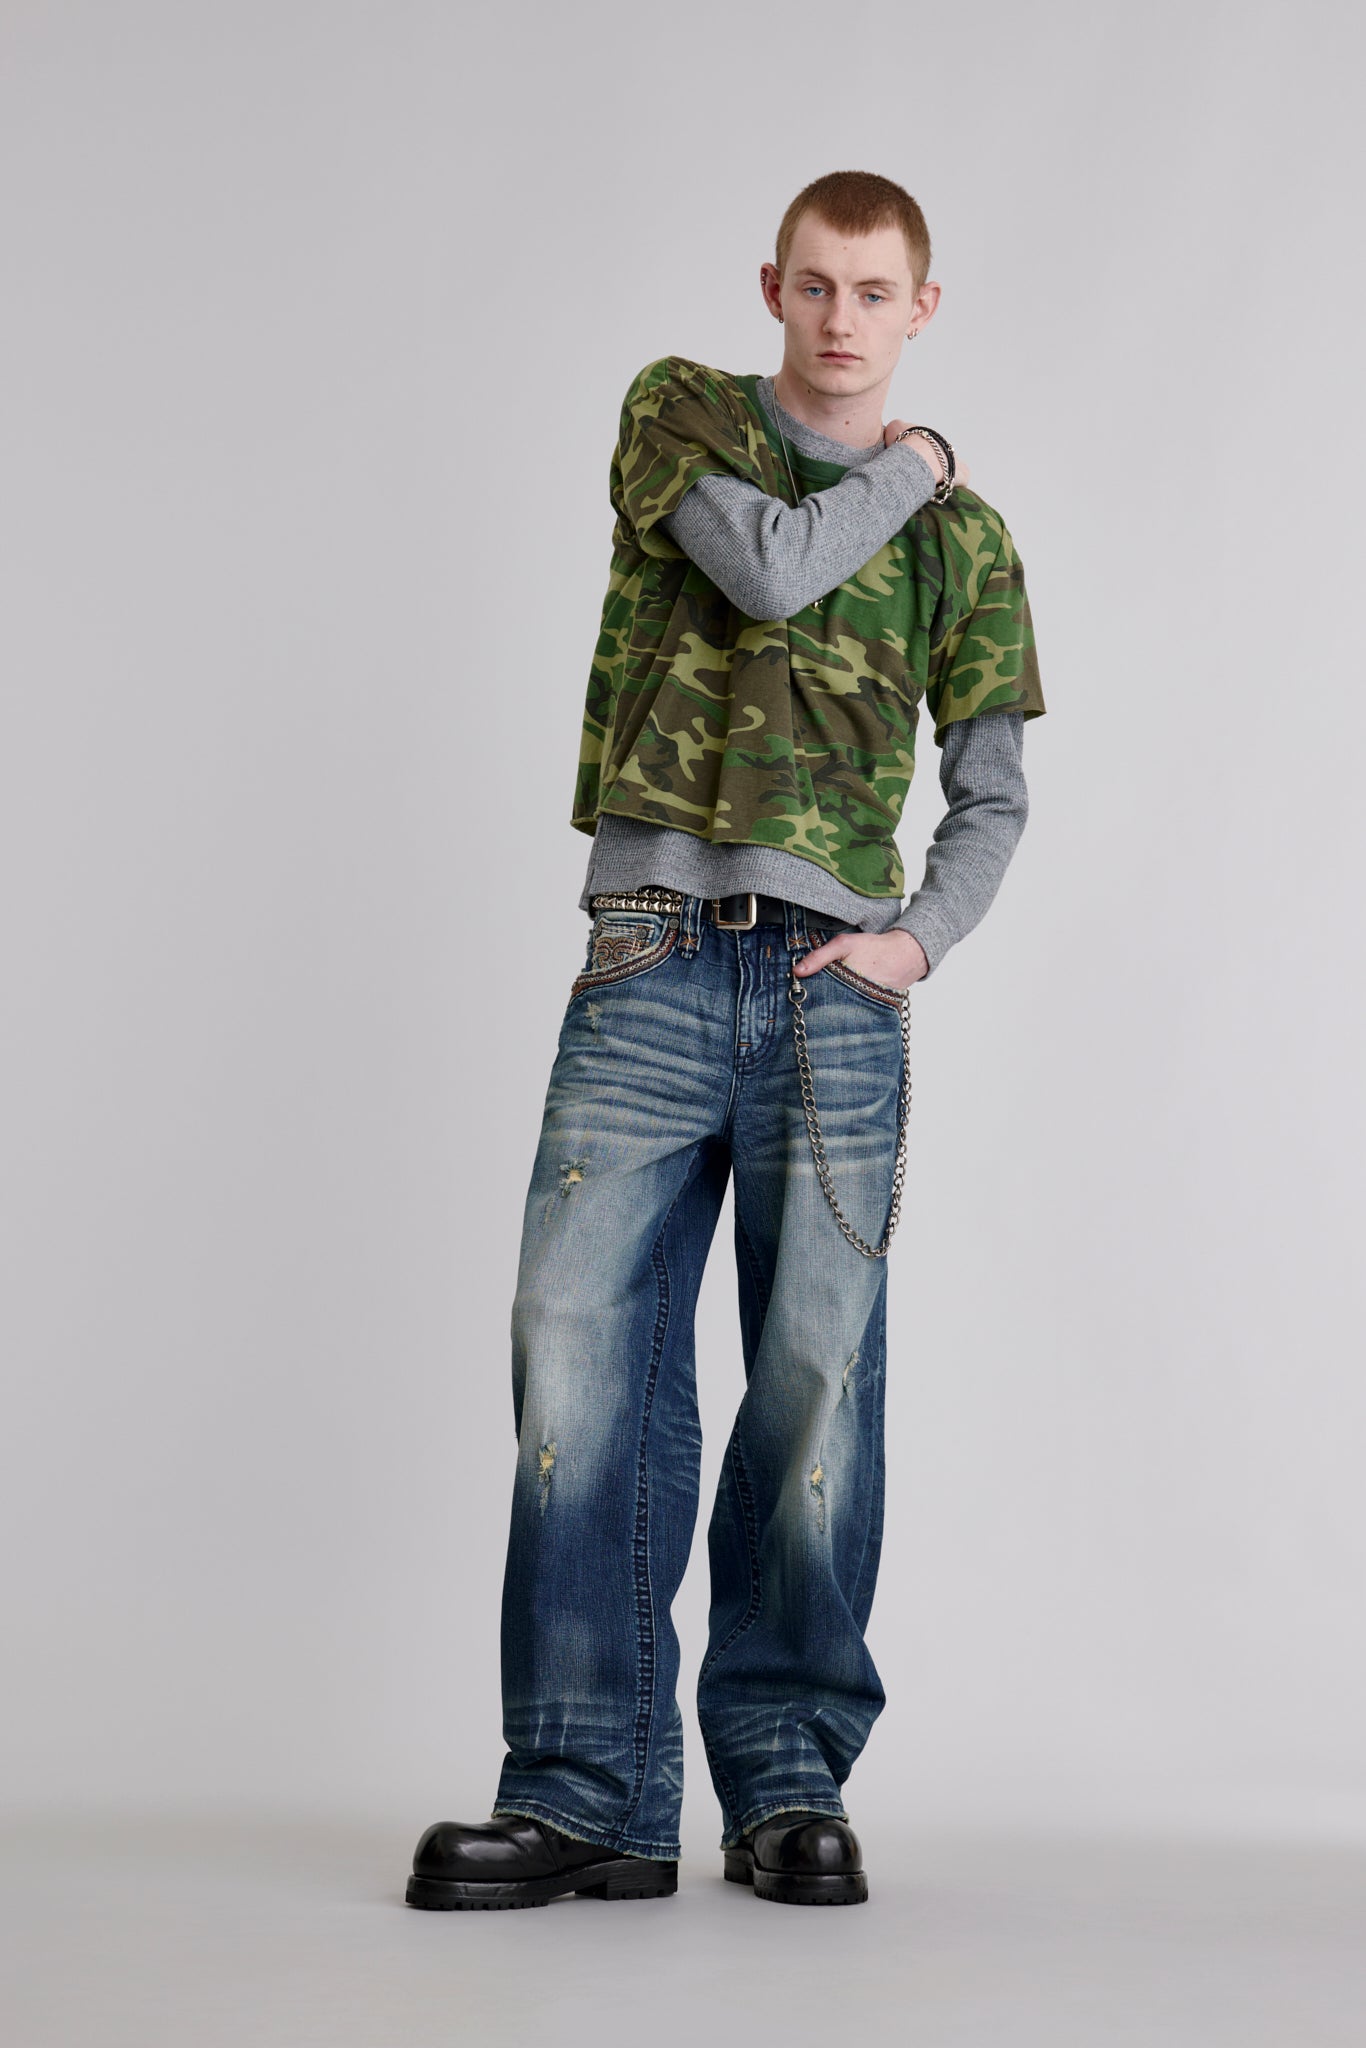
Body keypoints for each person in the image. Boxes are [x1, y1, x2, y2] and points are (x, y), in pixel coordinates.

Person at [405, 169, 1046, 1912]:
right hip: (651, 955)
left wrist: (914, 941)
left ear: (922, 306)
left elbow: (992, 789)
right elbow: (769, 571)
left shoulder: (971, 550)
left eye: (874, 292)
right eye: (815, 285)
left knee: (815, 1385)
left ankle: (784, 1782)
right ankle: (584, 1794)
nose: (841, 320)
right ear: (773, 286)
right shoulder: (680, 414)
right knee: (575, 1356)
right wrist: (915, 460)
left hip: (833, 996)